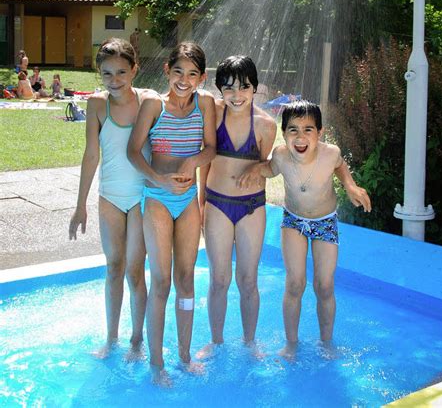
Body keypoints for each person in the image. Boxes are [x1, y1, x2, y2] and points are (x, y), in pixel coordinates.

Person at [239, 100, 371, 358]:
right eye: (293, 130)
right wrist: (255, 168)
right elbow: (269, 169)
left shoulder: (330, 153)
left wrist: (350, 186)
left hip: (325, 222)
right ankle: (291, 343)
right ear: (284, 132)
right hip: (294, 221)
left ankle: (326, 342)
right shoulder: (280, 156)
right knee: (295, 284)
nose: (300, 137)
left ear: (319, 133)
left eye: (308, 130)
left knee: (324, 285)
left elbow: (340, 167)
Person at [127, 41, 216, 385]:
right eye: (178, 71)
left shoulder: (204, 104)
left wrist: (193, 160)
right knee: (161, 281)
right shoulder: (154, 105)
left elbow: (211, 148)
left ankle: (183, 354)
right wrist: (159, 179)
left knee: (186, 280)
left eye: (193, 74)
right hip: (158, 198)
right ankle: (157, 364)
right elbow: (134, 151)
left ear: (201, 78)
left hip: (188, 199)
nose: (184, 79)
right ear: (167, 70)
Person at [69, 38, 153, 361]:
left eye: (121, 72)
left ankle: (137, 341)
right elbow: (91, 155)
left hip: (142, 197)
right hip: (110, 198)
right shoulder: (96, 105)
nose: (114, 80)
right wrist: (80, 205)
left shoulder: (148, 102)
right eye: (107, 74)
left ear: (135, 69)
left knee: (135, 270)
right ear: (99, 74)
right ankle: (112, 338)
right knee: (114, 266)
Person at [197, 56, 276, 359]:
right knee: (219, 278)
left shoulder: (266, 125)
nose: (236, 95)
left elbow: (267, 165)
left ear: (255, 88)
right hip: (217, 203)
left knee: (248, 279)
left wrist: (258, 170)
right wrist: (202, 202)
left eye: (244, 87)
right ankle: (216, 341)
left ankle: (249, 341)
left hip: (251, 207)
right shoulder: (214, 115)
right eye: (228, 88)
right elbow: (206, 159)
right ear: (219, 90)